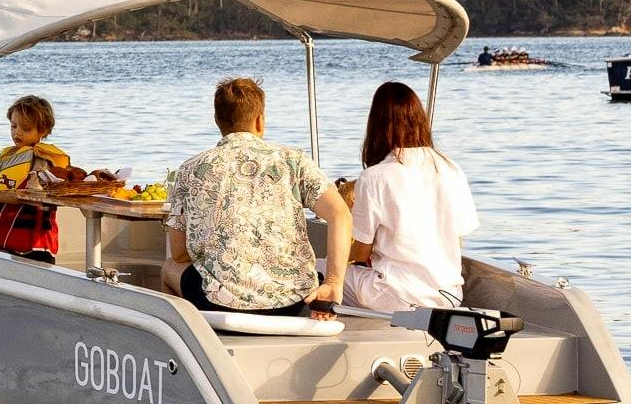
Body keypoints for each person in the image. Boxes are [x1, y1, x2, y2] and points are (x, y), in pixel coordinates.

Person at [164, 75, 352, 316]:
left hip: (220, 300)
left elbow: (179, 252)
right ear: (260, 121)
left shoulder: (191, 169)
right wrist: (334, 282)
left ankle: (190, 343)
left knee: (169, 269)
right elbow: (340, 214)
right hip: (293, 300)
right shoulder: (294, 160)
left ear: (217, 121)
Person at [340, 80, 479, 312]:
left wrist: (338, 252)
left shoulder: (374, 176)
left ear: (376, 125)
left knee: (320, 270)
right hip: (449, 296)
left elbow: (361, 252)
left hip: (395, 296)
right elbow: (459, 236)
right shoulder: (451, 168)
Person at [0, 93, 121, 259]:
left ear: (42, 131)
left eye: (25, 128)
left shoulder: (42, 159)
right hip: (4, 238)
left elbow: (33, 195)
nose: (17, 132)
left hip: (33, 247)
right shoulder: (9, 155)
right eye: (13, 126)